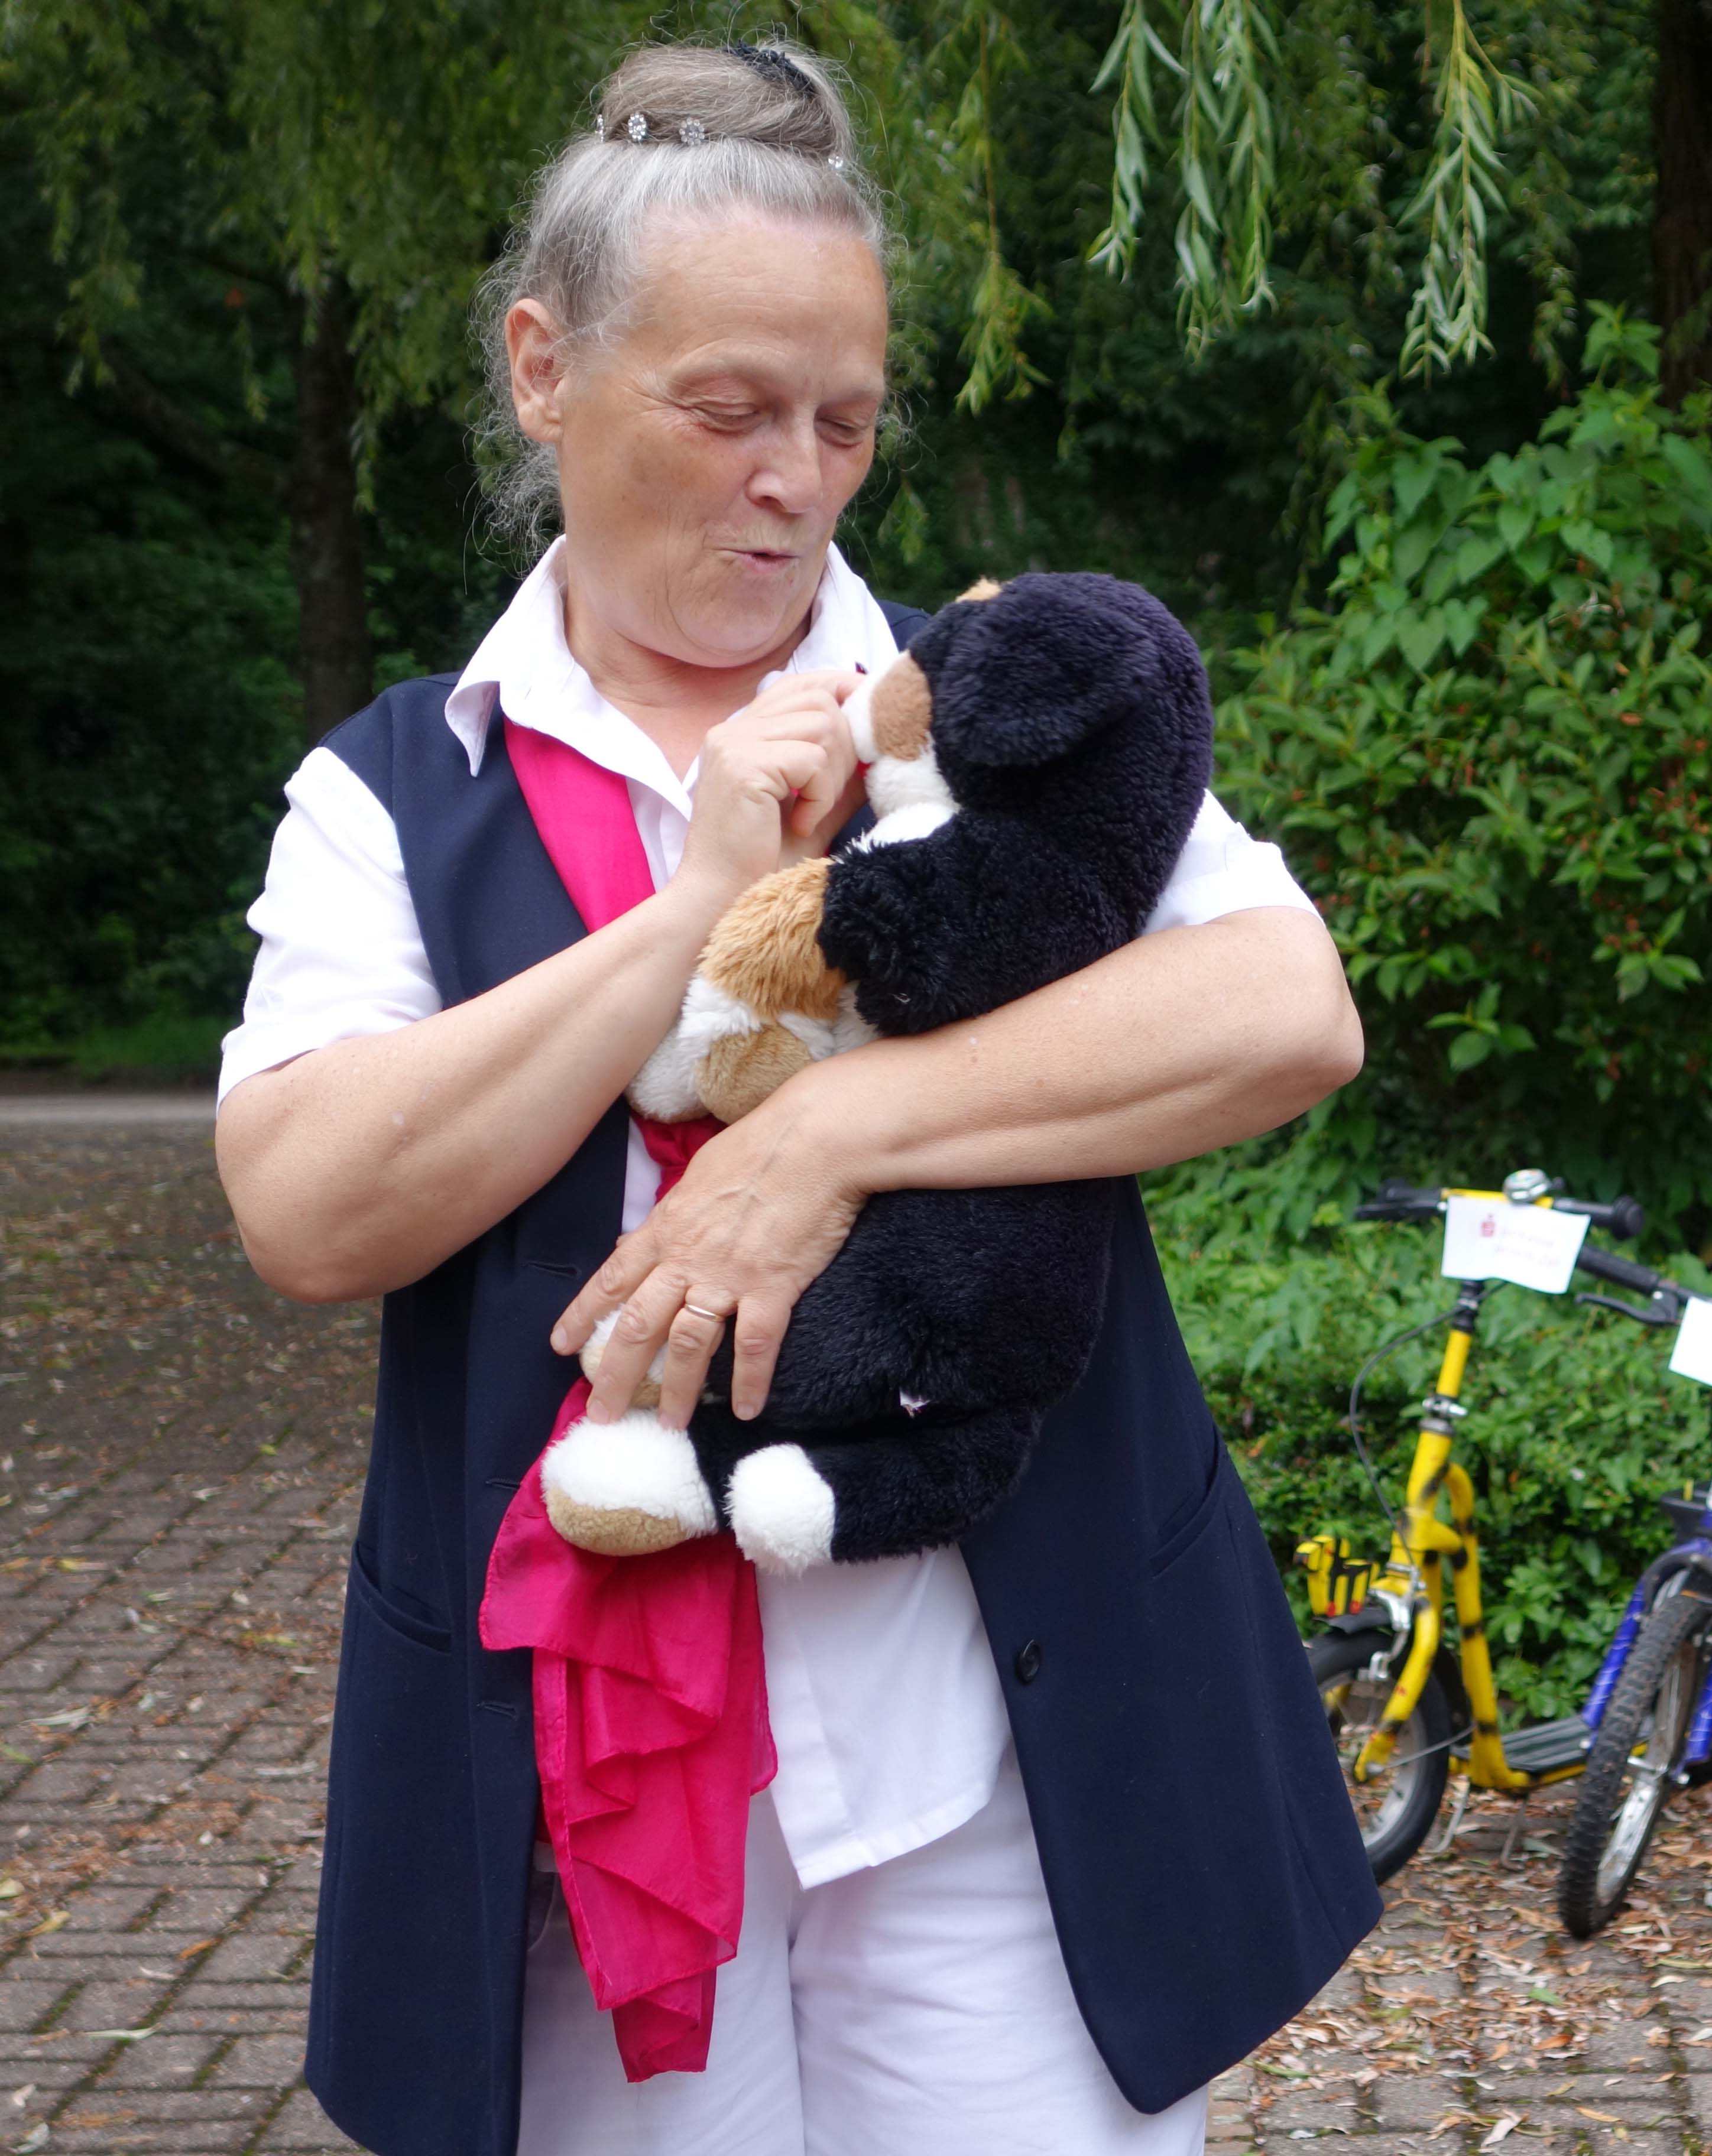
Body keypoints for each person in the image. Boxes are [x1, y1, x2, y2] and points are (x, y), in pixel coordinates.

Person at [213, 40, 1379, 2156]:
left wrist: (832, 1135)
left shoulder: (990, 693)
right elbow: (307, 1207)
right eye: (731, 410)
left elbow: (1286, 1010)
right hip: (589, 1783)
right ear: (544, 368)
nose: (797, 482)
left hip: (1000, 1744)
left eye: (845, 422)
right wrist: (693, 919)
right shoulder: (391, 790)